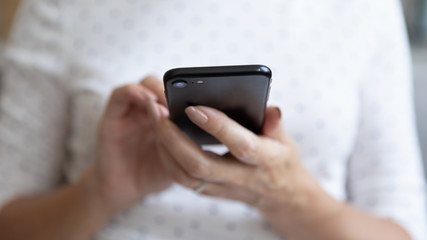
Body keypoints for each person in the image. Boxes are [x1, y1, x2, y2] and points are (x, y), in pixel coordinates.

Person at [0, 0, 426, 239]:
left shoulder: (362, 9)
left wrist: (288, 196)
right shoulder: (61, 7)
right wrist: (102, 191)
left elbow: (403, 228)